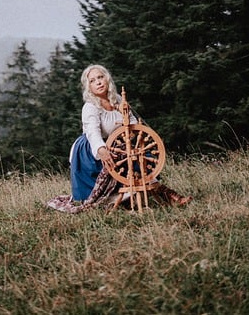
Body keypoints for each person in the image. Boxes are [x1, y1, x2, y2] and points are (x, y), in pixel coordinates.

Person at [47, 64, 192, 213]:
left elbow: (133, 124)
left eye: (100, 77)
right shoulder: (90, 107)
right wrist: (101, 149)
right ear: (88, 87)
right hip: (91, 149)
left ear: (107, 79)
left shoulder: (117, 99)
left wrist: (130, 131)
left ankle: (163, 193)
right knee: (127, 158)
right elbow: (92, 132)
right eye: (92, 80)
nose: (98, 82)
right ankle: (165, 195)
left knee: (139, 157)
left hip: (117, 144)